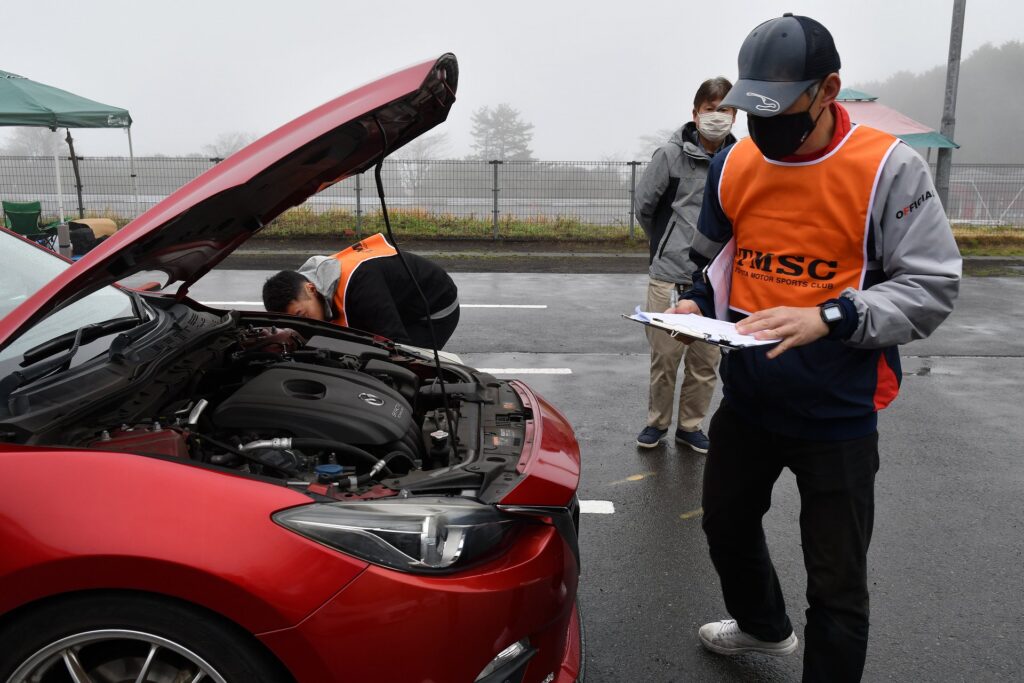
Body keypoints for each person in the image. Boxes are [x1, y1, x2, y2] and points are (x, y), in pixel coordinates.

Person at [670, 14, 961, 682]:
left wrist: (831, 315)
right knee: (724, 524)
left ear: (828, 89)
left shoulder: (889, 168)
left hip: (839, 411)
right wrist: (696, 304)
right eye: (754, 109)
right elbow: (714, 261)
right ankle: (763, 626)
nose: (763, 126)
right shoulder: (735, 162)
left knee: (837, 584)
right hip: (750, 398)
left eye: (779, 109)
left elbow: (932, 286)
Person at [633, 77, 737, 452]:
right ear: (695, 113)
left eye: (726, 110)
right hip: (669, 278)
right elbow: (645, 207)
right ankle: (656, 423)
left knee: (705, 362)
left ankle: (691, 426)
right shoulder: (669, 156)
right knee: (665, 358)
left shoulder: (739, 159)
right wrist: (667, 244)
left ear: (736, 115)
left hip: (715, 283)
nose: (717, 116)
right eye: (710, 109)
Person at [262, 232, 460, 349]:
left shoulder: (361, 286)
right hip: (397, 299)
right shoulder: (315, 281)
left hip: (434, 309)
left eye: (302, 315)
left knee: (408, 361)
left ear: (311, 288)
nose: (303, 324)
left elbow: (395, 341)